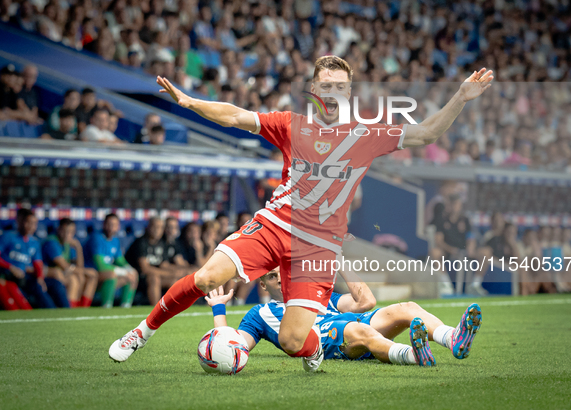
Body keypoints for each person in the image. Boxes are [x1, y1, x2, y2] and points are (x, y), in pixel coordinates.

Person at [109, 56, 493, 371]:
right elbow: (235, 116)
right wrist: (192, 102)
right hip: (274, 226)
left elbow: (425, 134)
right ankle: (141, 332)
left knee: (295, 341)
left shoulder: (367, 135)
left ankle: (314, 350)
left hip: (318, 249)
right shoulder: (292, 125)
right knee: (208, 276)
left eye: (340, 86)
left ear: (349, 92)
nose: (333, 92)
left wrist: (460, 96)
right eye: (325, 85)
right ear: (314, 91)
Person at [205, 267, 482, 367]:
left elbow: (366, 302)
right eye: (272, 277)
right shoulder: (260, 314)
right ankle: (413, 355)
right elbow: (234, 347)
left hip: (349, 321)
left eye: (283, 273)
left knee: (407, 308)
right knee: (356, 330)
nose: (280, 280)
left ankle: (452, 338)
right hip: (326, 339)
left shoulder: (318, 294)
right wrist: (219, 311)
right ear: (263, 285)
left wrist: (340, 261)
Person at [0, 209, 54, 310]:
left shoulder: (34, 242)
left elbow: (38, 263)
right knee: (16, 310)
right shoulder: (8, 237)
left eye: (34, 224)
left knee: (42, 287)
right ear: (21, 222)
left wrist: (40, 278)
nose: (31, 226)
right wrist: (11, 267)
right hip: (6, 278)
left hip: (24, 279)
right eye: (28, 222)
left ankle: (54, 313)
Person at [125, 217, 185, 306]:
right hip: (138, 278)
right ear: (148, 227)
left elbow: (164, 265)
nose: (157, 230)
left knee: (174, 280)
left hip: (156, 275)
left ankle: (173, 309)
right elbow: (145, 269)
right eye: (155, 227)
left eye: (160, 227)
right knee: (154, 278)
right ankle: (155, 309)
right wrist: (167, 273)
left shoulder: (161, 243)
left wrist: (177, 271)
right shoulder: (141, 242)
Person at [42, 218, 98, 307]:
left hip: (62, 274)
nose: (67, 235)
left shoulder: (67, 244)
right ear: (59, 230)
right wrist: (85, 271)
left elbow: (79, 266)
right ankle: (70, 309)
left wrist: (78, 247)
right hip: (49, 276)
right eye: (65, 231)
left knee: (87, 277)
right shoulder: (52, 242)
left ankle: (83, 309)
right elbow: (64, 266)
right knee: (74, 279)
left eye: (71, 232)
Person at [84, 213, 137, 308]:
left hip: (106, 275)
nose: (111, 227)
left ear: (118, 226)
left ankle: (125, 307)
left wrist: (129, 269)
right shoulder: (96, 238)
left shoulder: (115, 240)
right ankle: (106, 306)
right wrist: (123, 272)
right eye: (109, 224)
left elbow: (120, 260)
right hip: (92, 275)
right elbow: (100, 265)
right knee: (112, 274)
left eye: (114, 225)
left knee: (133, 274)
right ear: (104, 225)